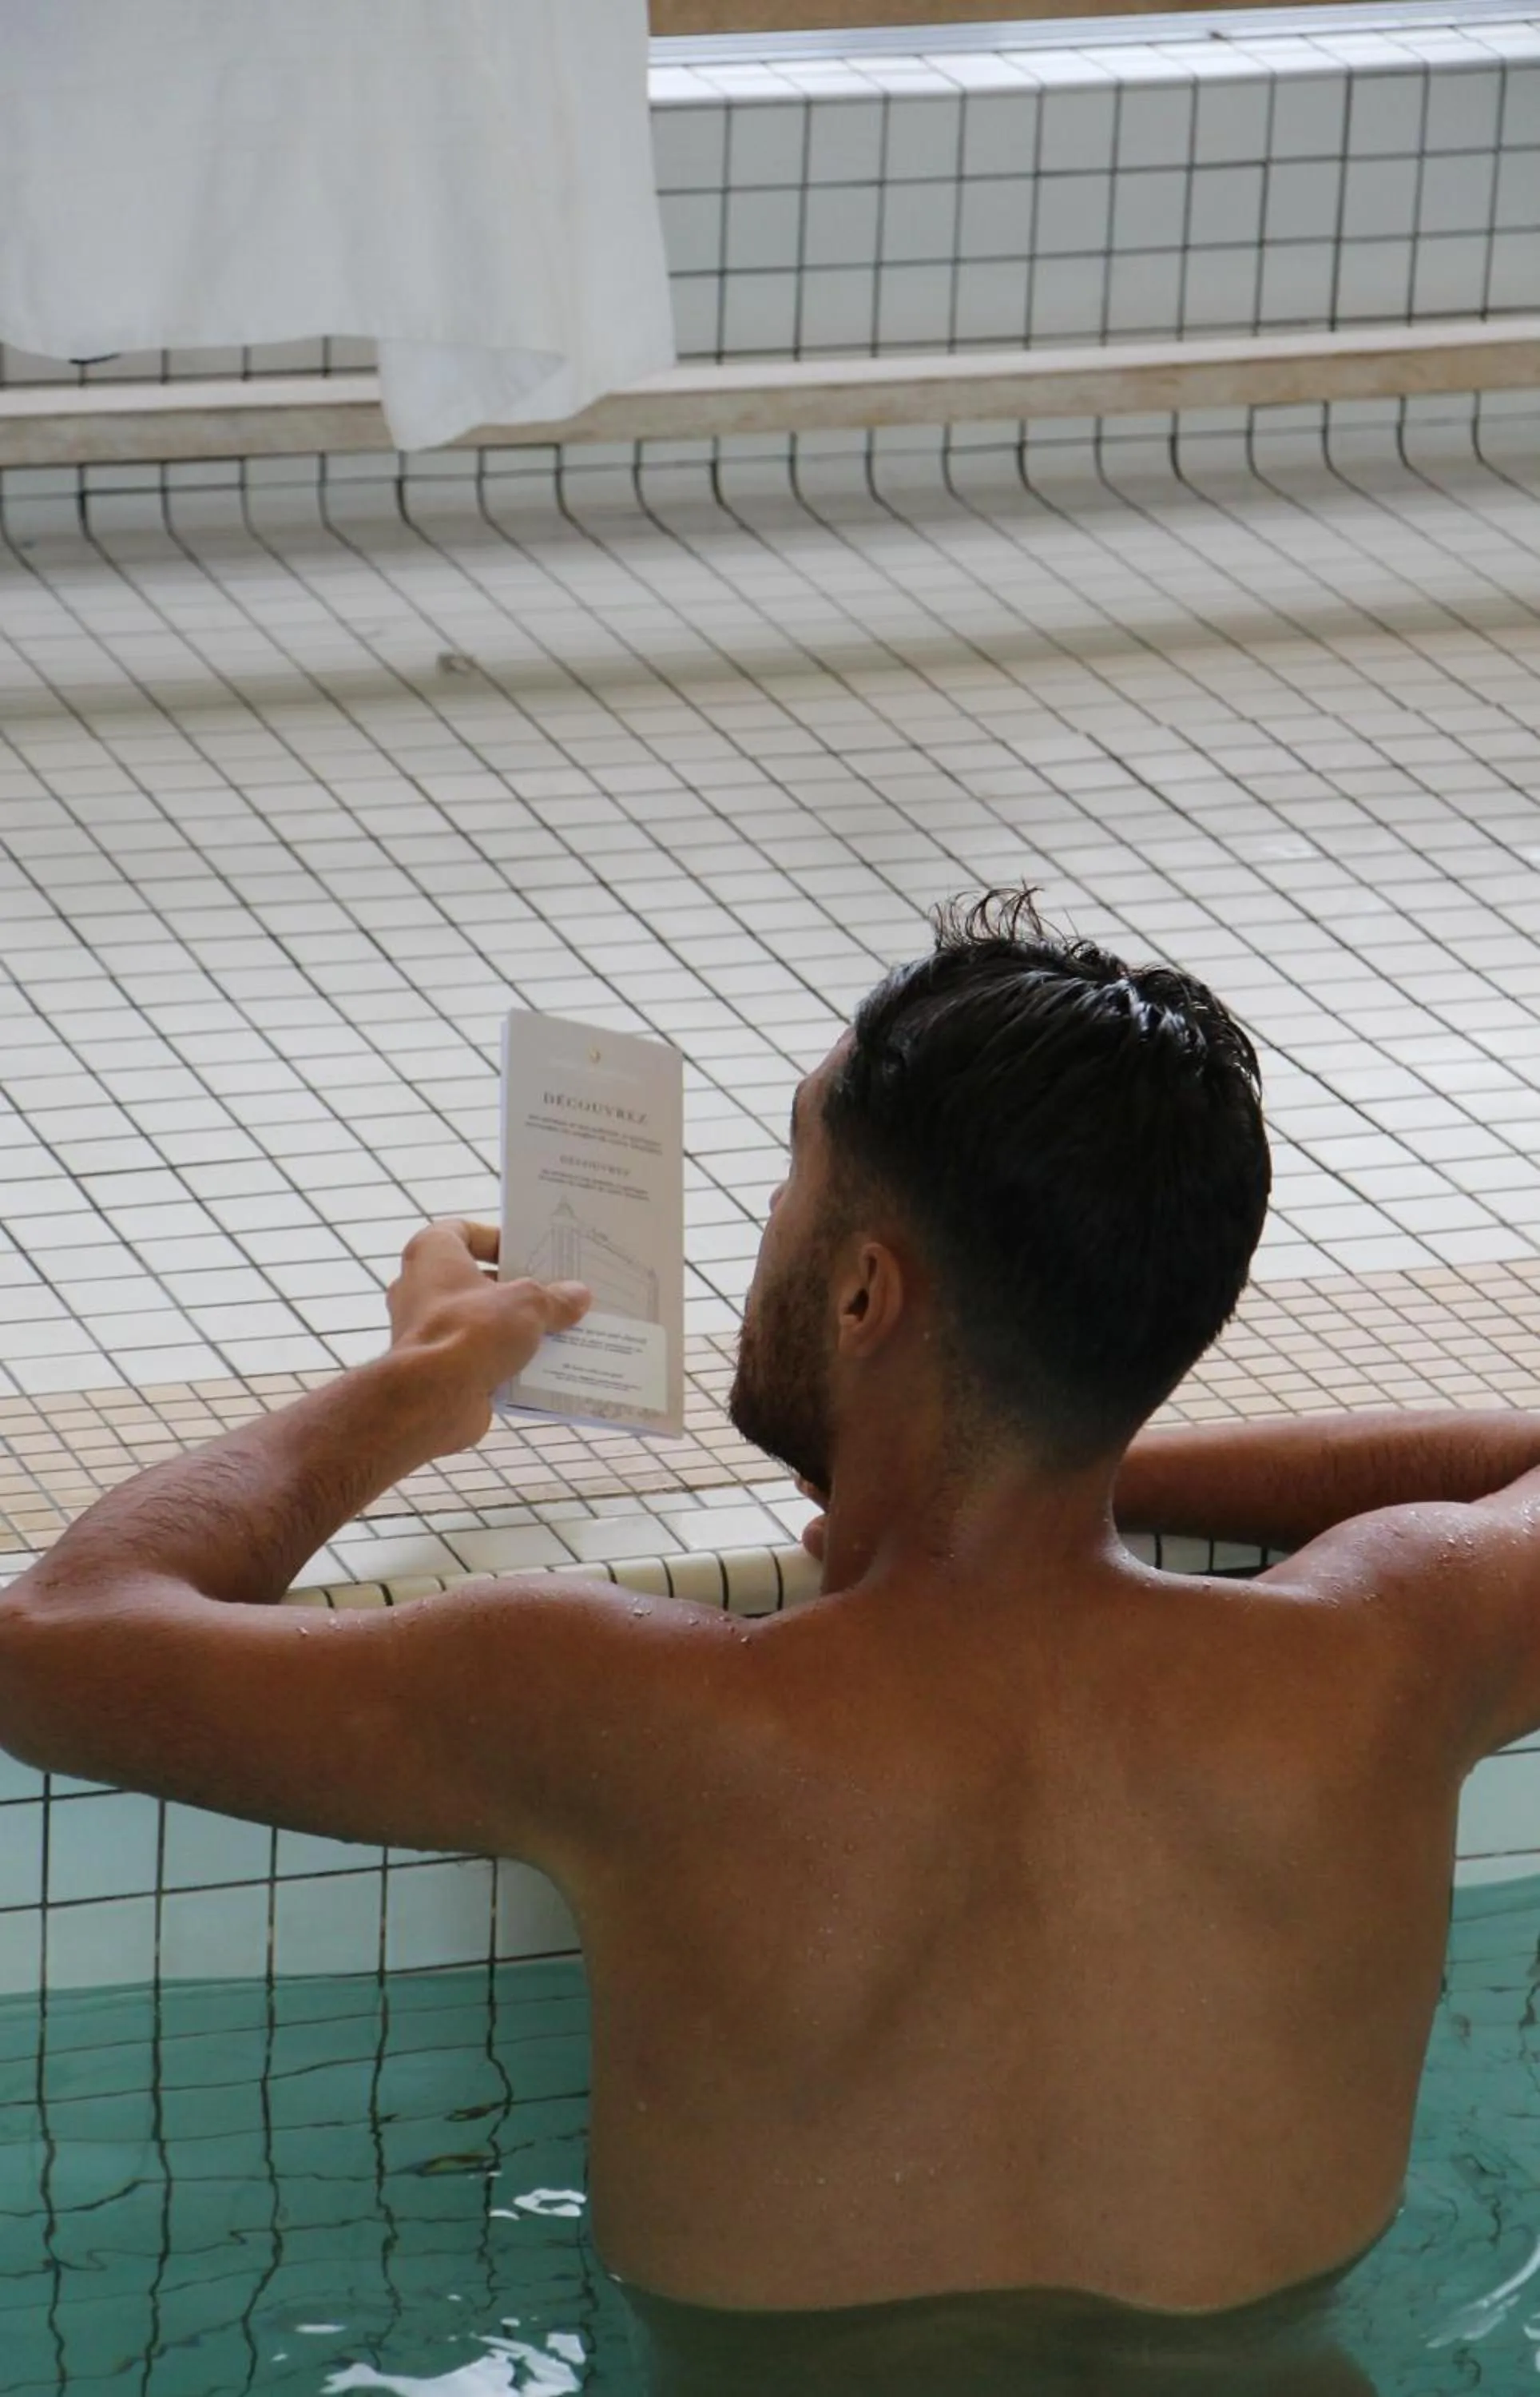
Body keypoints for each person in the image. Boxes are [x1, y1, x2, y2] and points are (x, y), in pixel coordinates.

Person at [0, 889, 1534, 2351]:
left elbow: (54, 1642)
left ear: (865, 1295)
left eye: (792, 1175)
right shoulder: (1389, 1656)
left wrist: (414, 1388)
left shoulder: (622, 1709)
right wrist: (1055, 1445)